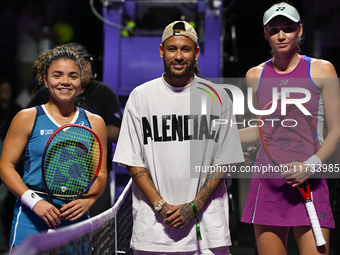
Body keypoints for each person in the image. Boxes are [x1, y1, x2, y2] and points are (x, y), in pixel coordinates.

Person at [113, 20, 244, 254]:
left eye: (186, 49)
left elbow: (225, 160)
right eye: (172, 48)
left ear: (197, 53)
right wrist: (160, 205)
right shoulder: (141, 97)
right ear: (162, 50)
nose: (179, 56)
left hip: (207, 232)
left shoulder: (218, 97)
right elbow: (132, 162)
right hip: (153, 231)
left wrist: (195, 205)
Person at [239, 2, 340, 255]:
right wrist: (218, 138)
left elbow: (336, 131)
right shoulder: (254, 75)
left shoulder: (323, 70)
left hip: (310, 180)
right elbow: (262, 131)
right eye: (274, 30)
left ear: (300, 30)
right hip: (268, 182)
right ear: (265, 34)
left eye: (288, 28)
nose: (281, 35)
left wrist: (311, 165)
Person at [0, 45, 108, 251]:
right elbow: (5, 167)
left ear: (81, 80)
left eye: (73, 76)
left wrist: (89, 200)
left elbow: (100, 174)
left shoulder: (96, 123)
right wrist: (35, 203)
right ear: (45, 78)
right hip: (32, 215)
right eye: (57, 75)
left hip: (75, 216)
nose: (65, 82)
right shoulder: (27, 118)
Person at [27, 42, 122, 217]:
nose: (85, 67)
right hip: (50, 182)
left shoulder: (104, 92)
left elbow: (118, 132)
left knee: (96, 236)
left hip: (93, 181)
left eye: (86, 62)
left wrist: (81, 130)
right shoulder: (43, 96)